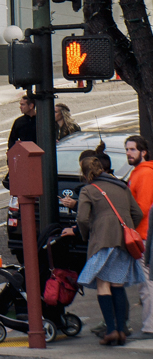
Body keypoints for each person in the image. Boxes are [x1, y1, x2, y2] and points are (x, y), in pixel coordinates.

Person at [61, 156, 145, 346]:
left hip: (102, 242)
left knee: (103, 285)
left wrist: (86, 234)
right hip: (124, 242)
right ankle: (122, 329)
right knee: (117, 284)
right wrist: (127, 228)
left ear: (84, 172)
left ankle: (110, 330)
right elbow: (138, 213)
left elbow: (82, 218)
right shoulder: (122, 187)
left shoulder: (88, 190)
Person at [125, 135, 153, 335]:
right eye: (127, 149)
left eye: (132, 149)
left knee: (147, 284)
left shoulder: (142, 174)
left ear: (143, 152)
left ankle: (150, 326)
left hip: (143, 235)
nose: (128, 153)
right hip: (145, 234)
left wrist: (126, 226)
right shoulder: (142, 172)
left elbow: (141, 208)